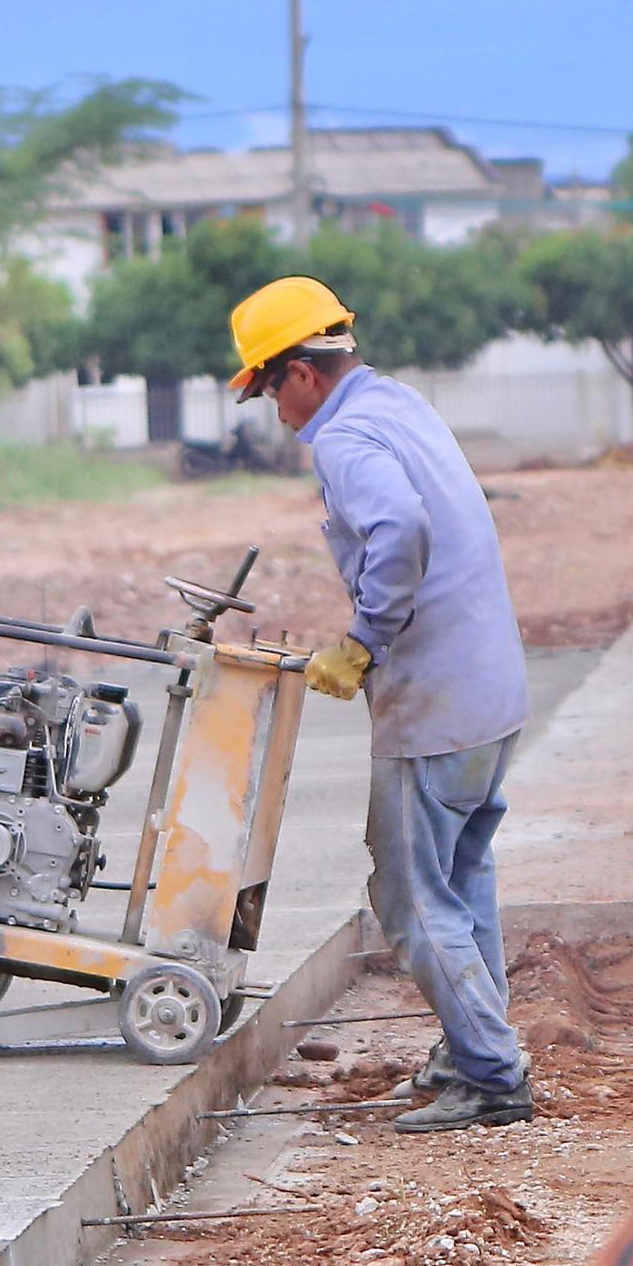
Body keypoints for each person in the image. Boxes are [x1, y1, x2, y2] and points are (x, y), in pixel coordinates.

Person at [230, 273, 534, 1134]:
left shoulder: (345, 438)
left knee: (408, 894)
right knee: (461, 877)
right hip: (487, 685)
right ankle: (473, 1046)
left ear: (301, 373)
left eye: (267, 391)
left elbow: (399, 529)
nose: (273, 413)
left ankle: (492, 1073)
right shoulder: (396, 404)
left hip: (436, 704)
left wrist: (364, 639)